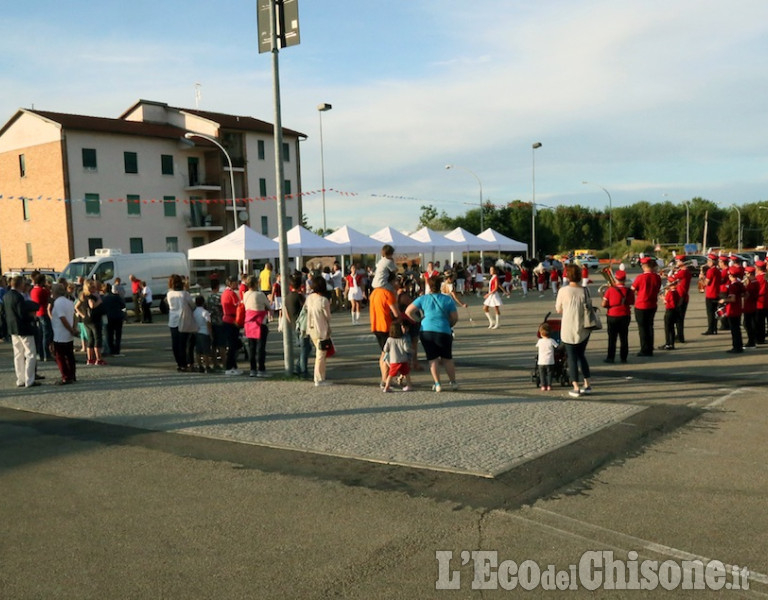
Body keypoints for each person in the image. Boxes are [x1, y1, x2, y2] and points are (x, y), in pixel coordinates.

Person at [405, 276, 459, 392]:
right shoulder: (448, 299)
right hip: (444, 330)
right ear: (440, 285)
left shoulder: (422, 299)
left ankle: (437, 383)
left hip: (427, 330)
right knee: (447, 358)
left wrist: (418, 320)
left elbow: (408, 311)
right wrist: (449, 324)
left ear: (428, 286)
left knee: (432, 358)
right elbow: (455, 317)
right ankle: (453, 382)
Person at [555, 263, 592, 398]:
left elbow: (558, 309)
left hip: (568, 327)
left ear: (567, 276)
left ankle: (576, 386)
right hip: (584, 328)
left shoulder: (563, 291)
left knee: (571, 357)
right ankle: (587, 384)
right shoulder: (585, 290)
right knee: (581, 356)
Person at [2, 276, 39, 387]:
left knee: (18, 354)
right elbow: (22, 314)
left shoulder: (6, 295)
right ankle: (29, 379)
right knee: (30, 354)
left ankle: (20, 379)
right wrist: (32, 318)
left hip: (12, 328)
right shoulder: (19, 297)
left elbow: (4, 313)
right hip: (24, 328)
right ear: (20, 284)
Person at [370, 271, 401, 388]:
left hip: (375, 325)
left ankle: (385, 379)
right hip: (386, 326)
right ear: (391, 281)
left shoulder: (374, 293)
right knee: (387, 354)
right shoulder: (388, 293)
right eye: (395, 280)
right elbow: (396, 313)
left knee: (383, 353)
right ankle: (385, 380)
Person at [601, 270, 634, 363]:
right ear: (625, 279)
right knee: (624, 337)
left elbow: (603, 304)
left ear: (616, 278)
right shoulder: (629, 290)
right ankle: (624, 358)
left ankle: (610, 357)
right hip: (625, 315)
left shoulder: (610, 290)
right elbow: (632, 302)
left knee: (612, 338)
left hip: (612, 315)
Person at [305, 276, 333, 386]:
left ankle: (321, 375)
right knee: (321, 355)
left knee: (320, 352)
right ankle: (318, 378)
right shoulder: (323, 300)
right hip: (321, 329)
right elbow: (328, 317)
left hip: (311, 328)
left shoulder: (310, 297)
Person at [631, 257, 662, 357]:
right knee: (650, 326)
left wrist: (639, 293)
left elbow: (633, 289)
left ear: (644, 266)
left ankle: (644, 350)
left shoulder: (640, 277)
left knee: (642, 329)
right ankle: (650, 347)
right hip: (652, 304)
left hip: (641, 305)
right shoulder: (657, 277)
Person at [166, 274, 195, 372]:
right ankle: (185, 363)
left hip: (173, 320)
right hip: (183, 319)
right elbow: (192, 305)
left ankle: (179, 363)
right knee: (183, 344)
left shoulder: (169, 294)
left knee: (175, 343)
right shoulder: (184, 294)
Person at [50, 283, 78, 385]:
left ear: (55, 292)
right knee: (70, 355)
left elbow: (62, 318)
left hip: (60, 334)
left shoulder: (58, 303)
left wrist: (70, 329)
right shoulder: (69, 302)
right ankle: (72, 375)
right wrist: (74, 328)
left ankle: (66, 376)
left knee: (60, 356)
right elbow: (75, 316)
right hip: (68, 334)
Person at [243, 275, 270, 378]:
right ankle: (261, 369)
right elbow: (268, 305)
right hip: (260, 322)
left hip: (249, 323)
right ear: (255, 283)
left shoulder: (245, 295)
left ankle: (252, 369)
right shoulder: (260, 294)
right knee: (261, 347)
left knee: (252, 347)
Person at [284, 273, 311, 378]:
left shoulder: (287, 298)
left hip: (293, 324)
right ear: (300, 285)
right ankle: (302, 369)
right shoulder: (300, 297)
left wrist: (291, 322)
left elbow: (286, 313)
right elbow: (306, 309)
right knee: (305, 348)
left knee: (305, 347)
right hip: (302, 326)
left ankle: (298, 366)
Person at [75, 279, 106, 366]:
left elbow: (76, 307)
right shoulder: (91, 297)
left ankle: (90, 359)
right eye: (93, 287)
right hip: (94, 320)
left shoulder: (82, 296)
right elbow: (92, 306)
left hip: (86, 320)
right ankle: (98, 359)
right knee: (97, 339)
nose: (94, 288)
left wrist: (82, 315)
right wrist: (99, 302)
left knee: (90, 339)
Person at [667, 254, 692, 343]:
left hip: (681, 297)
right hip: (681, 296)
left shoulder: (683, 272)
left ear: (682, 262)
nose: (676, 262)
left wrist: (666, 275)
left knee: (679, 318)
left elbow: (672, 279)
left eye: (678, 261)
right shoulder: (683, 271)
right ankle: (679, 336)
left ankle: (680, 337)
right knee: (679, 318)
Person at [220, 276, 242, 375]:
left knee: (232, 344)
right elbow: (239, 306)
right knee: (233, 345)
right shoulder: (231, 293)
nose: (237, 284)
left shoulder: (224, 293)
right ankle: (230, 367)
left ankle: (233, 366)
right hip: (232, 320)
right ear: (231, 283)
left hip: (226, 319)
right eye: (236, 282)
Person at [382, 322, 412, 392]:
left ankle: (387, 387)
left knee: (391, 374)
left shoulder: (389, 339)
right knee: (406, 373)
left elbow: (385, 349)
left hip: (394, 360)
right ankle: (409, 385)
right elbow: (406, 349)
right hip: (403, 359)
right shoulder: (403, 339)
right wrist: (412, 350)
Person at [720, 265, 744, 353]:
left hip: (732, 310)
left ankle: (736, 347)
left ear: (730, 275)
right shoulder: (740, 284)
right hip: (738, 308)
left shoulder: (732, 286)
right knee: (737, 329)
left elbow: (732, 299)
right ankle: (739, 346)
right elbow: (745, 294)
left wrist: (724, 300)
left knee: (734, 330)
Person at [30, 274, 53, 361]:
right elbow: (49, 299)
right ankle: (46, 354)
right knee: (47, 334)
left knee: (41, 334)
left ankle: (41, 353)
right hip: (44, 312)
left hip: (37, 313)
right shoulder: (42, 291)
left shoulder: (33, 290)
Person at [101, 283, 126, 356]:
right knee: (118, 334)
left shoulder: (102, 298)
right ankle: (117, 350)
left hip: (107, 317)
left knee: (109, 334)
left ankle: (110, 349)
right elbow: (123, 305)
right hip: (118, 316)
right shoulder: (116, 297)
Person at [206, 277, 225, 369]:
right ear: (218, 286)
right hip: (220, 322)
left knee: (213, 345)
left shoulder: (208, 298)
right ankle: (225, 363)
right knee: (221, 345)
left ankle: (215, 363)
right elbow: (223, 309)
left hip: (211, 322)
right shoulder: (219, 297)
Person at [701, 253, 721, 335]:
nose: (707, 262)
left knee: (710, 313)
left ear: (712, 262)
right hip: (716, 293)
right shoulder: (717, 270)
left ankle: (710, 329)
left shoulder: (710, 271)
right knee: (715, 312)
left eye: (709, 260)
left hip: (710, 294)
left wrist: (702, 277)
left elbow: (706, 283)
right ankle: (714, 328)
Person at [536, 322, 558, 392]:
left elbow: (537, 346)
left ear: (541, 334)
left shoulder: (540, 341)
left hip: (541, 361)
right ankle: (549, 385)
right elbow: (557, 347)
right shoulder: (552, 341)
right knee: (550, 373)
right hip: (550, 361)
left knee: (542, 374)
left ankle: (543, 385)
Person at [659, 282, 681, 351]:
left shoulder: (670, 293)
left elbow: (666, 302)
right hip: (675, 311)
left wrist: (662, 298)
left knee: (668, 328)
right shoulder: (676, 292)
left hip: (669, 311)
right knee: (672, 328)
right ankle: (671, 343)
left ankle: (668, 343)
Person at [742, 266, 759, 348]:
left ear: (749, 274)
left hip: (749, 306)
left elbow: (746, 296)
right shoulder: (756, 282)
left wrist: (744, 287)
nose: (746, 276)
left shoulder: (751, 284)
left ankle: (751, 341)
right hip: (753, 305)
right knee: (750, 323)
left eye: (746, 274)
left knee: (747, 324)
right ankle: (752, 340)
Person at [755, 260, 768, 345]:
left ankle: (760, 338)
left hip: (760, 302)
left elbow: (760, 291)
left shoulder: (759, 278)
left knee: (760, 322)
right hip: (766, 301)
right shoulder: (766, 277)